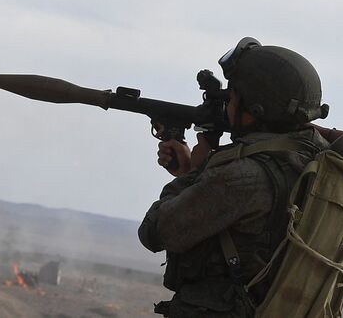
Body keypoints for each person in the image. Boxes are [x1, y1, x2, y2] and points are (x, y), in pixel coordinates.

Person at [138, 37, 330, 317]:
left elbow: (155, 232)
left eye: (233, 96)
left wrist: (197, 171)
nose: (228, 104)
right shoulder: (313, 159)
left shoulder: (241, 176)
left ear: (255, 110)